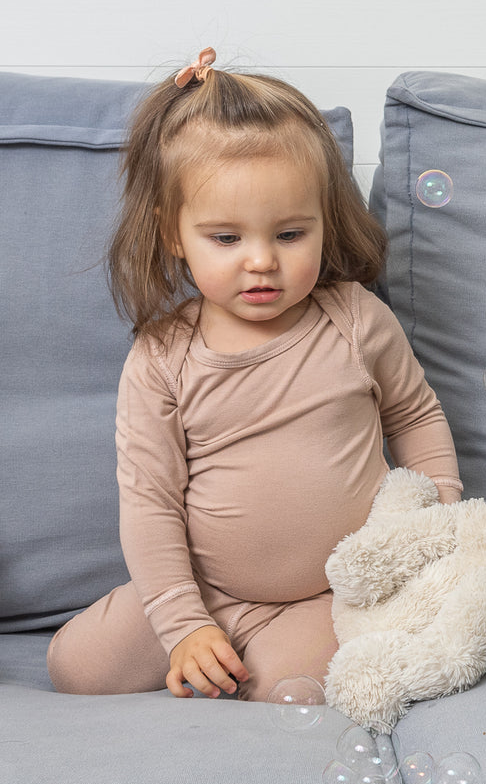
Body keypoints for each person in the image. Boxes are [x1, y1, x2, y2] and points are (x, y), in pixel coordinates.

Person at [47, 48, 462, 704]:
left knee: (285, 690)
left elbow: (415, 416)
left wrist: (437, 523)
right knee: (75, 667)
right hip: (203, 588)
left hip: (327, 593)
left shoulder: (355, 320)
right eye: (227, 238)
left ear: (324, 222)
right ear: (174, 235)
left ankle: (257, 656)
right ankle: (202, 644)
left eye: (290, 234)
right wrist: (184, 624)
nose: (262, 261)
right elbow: (151, 502)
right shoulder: (163, 357)